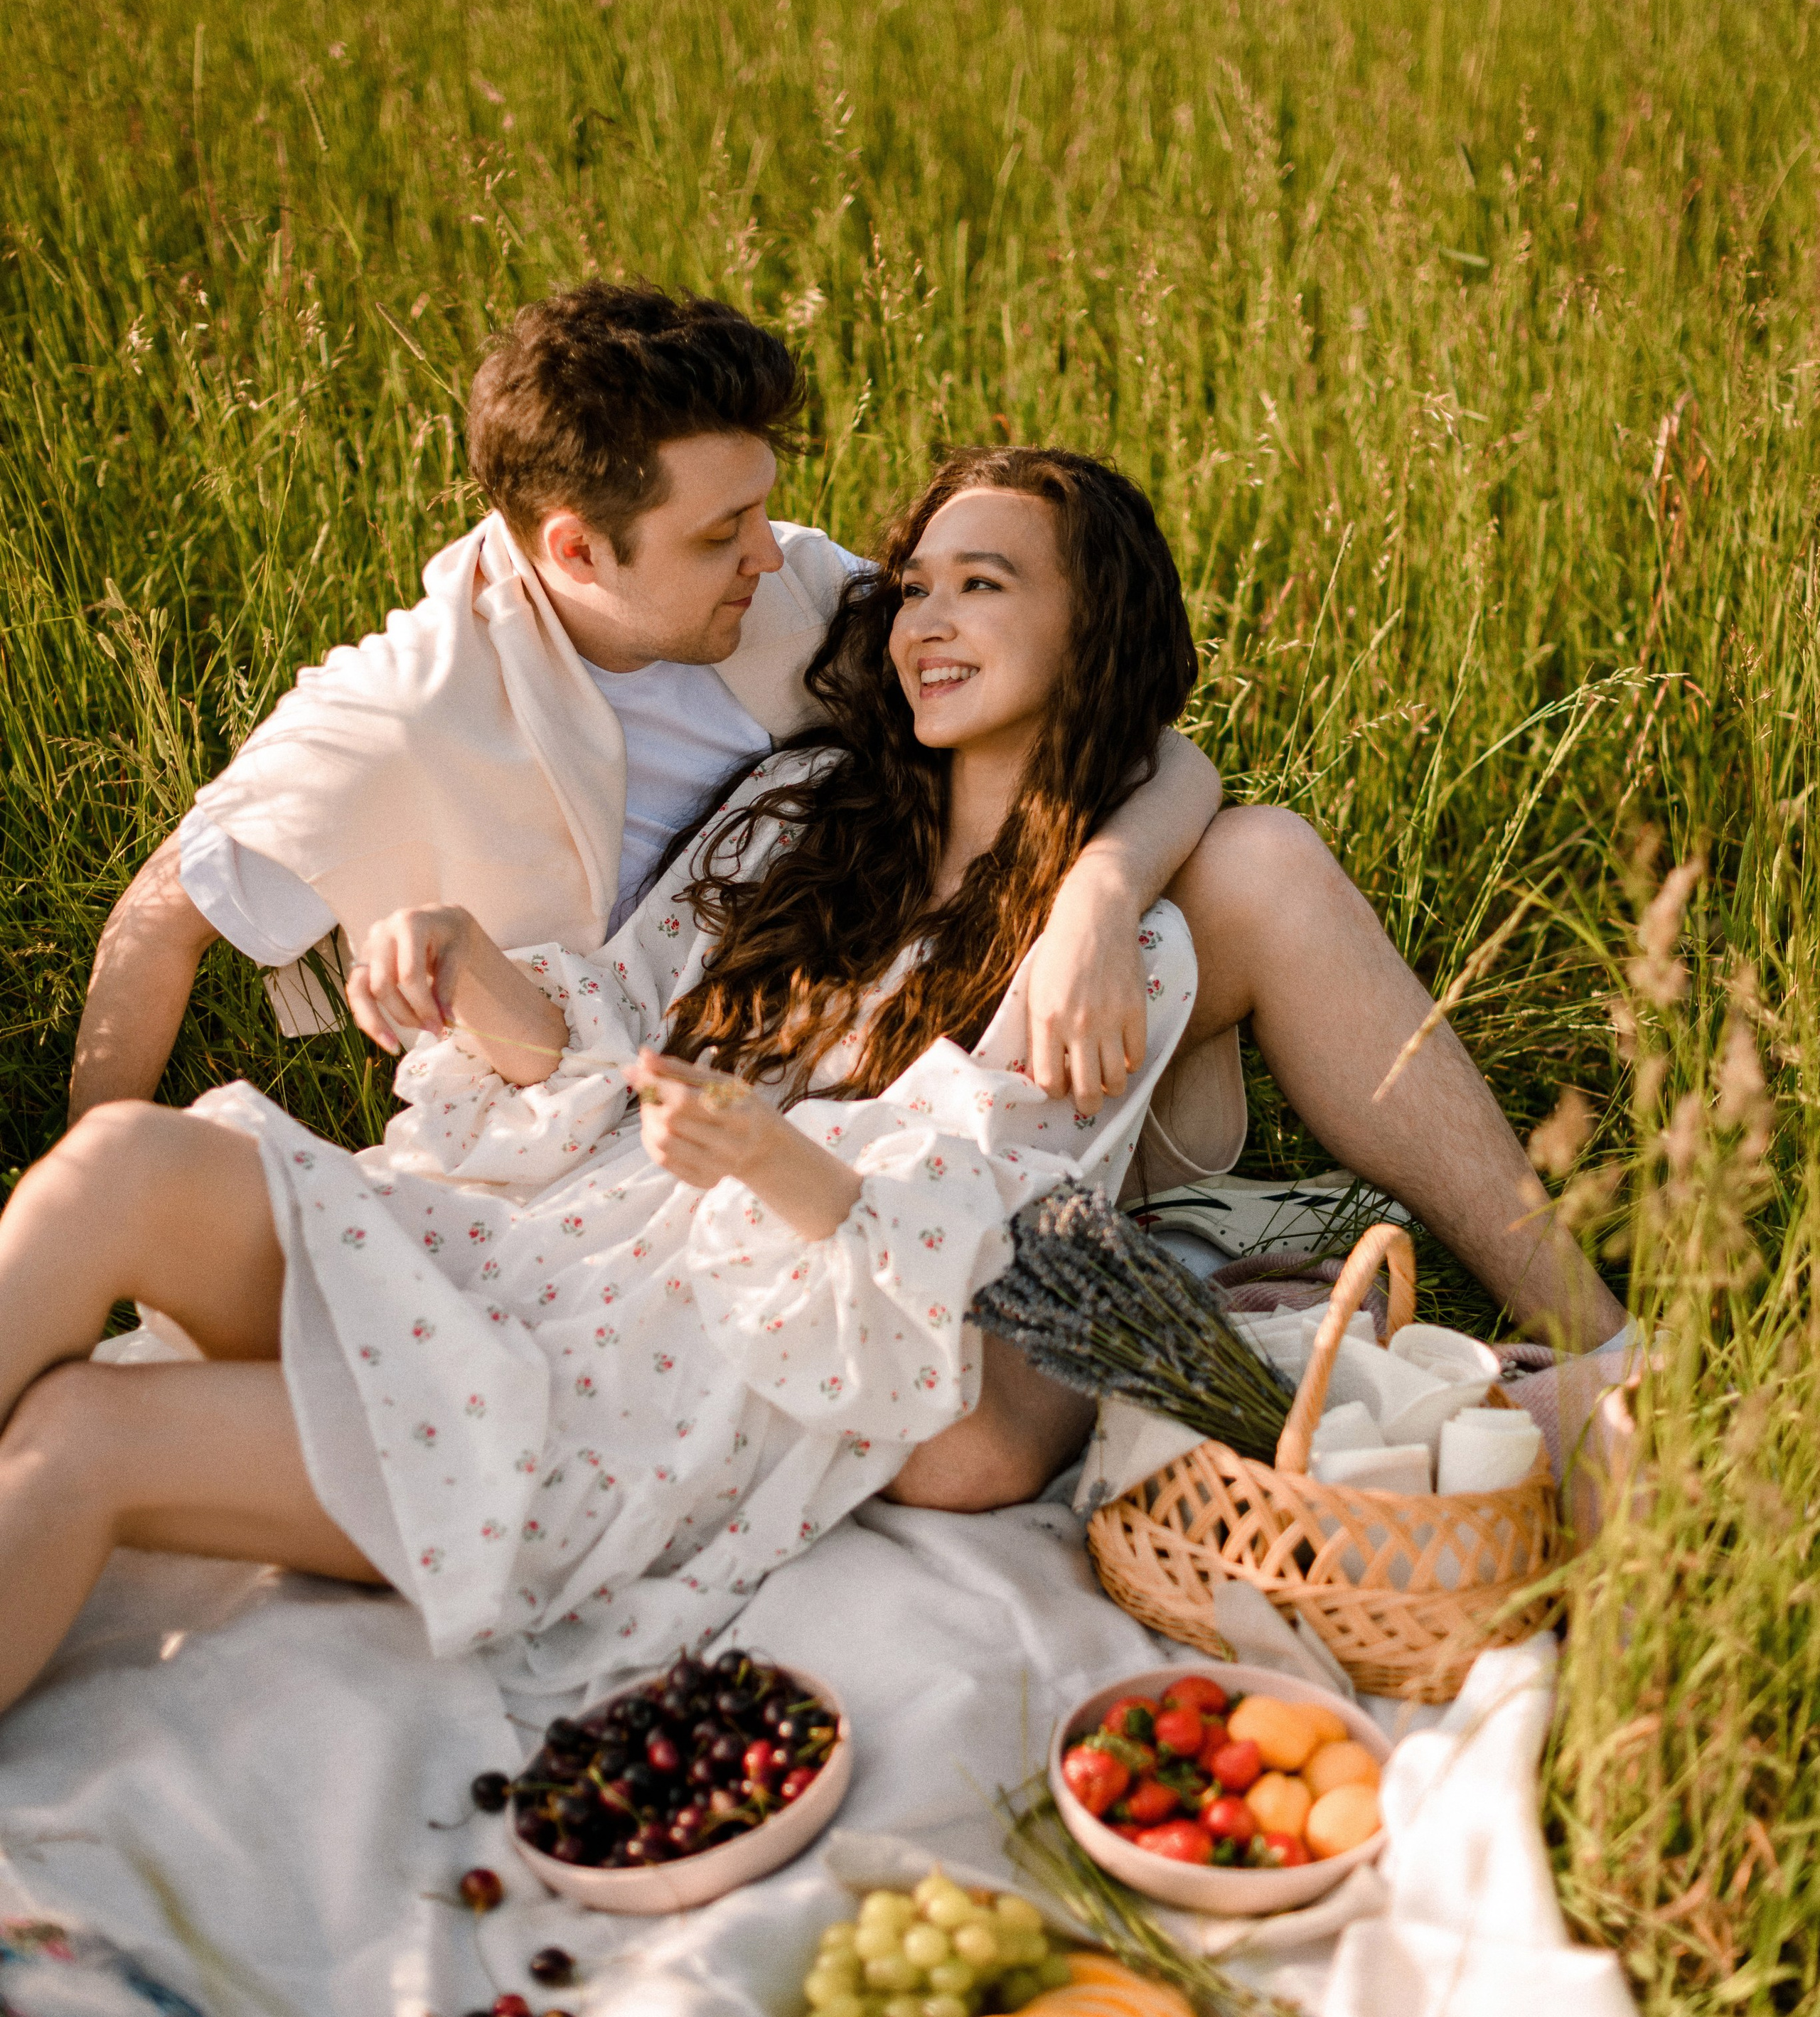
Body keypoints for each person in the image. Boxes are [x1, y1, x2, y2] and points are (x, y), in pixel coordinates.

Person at [0, 449, 1216, 1721]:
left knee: (87, 1433)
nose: (928, 622)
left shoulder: (1112, 961)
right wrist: (464, 958)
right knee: (115, 1164)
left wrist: (769, 1155)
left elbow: (966, 1266)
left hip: (646, 1388)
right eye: (916, 588)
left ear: (1095, 627)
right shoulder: (804, 808)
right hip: (521, 1241)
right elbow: (606, 1049)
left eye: (984, 585)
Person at [65, 284, 1222, 1130]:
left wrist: (1099, 899)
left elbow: (1126, 734)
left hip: (887, 1040)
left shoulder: (788, 594)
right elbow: (161, 918)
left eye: (762, 508)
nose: (769, 551)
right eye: (720, 533)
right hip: (596, 1091)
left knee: (1255, 855)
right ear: (577, 549)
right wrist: (88, 1157)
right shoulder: (404, 711)